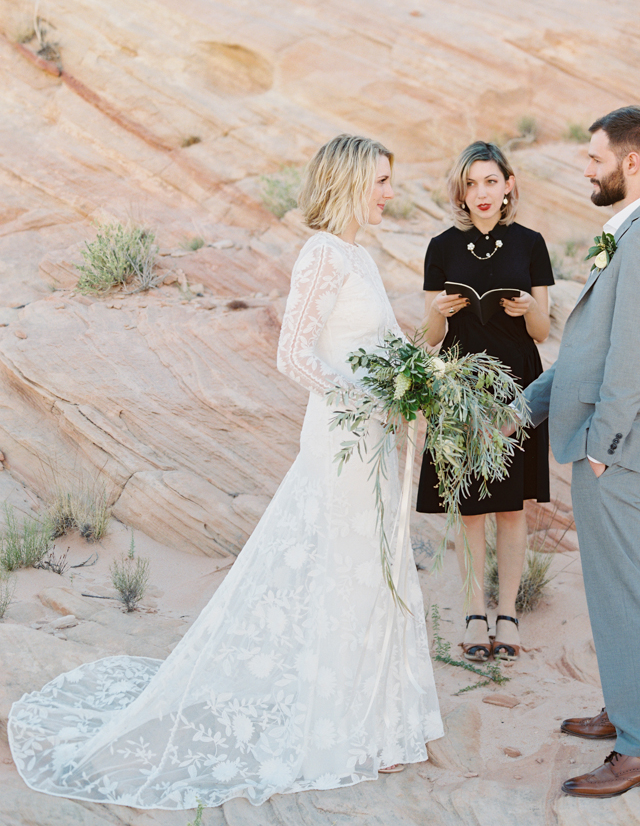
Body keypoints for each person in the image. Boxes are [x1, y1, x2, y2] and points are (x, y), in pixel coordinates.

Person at [8, 134, 443, 810]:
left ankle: (376, 725)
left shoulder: (360, 255)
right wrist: (364, 398)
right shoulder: (324, 253)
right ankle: (340, 728)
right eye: (382, 180)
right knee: (348, 571)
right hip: (341, 440)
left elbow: (370, 351)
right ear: (352, 181)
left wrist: (412, 380)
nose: (391, 192)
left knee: (372, 571)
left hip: (373, 444)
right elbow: (293, 354)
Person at [519, 106, 640, 797]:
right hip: (601, 443)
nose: (584, 168)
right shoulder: (628, 232)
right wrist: (522, 407)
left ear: (632, 162)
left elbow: (633, 359)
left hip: (613, 450)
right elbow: (587, 351)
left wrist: (601, 446)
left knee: (621, 592)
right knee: (612, 588)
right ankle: (626, 711)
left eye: (594, 158)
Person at [416, 141, 554, 662]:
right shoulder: (441, 246)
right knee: (471, 509)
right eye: (471, 183)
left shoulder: (531, 244)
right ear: (462, 190)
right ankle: (475, 611)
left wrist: (525, 310)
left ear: (508, 184)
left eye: (491, 182)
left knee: (511, 508)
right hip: (460, 385)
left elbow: (543, 330)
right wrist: (438, 309)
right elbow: (430, 337)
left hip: (517, 385)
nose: (481, 193)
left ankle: (509, 615)